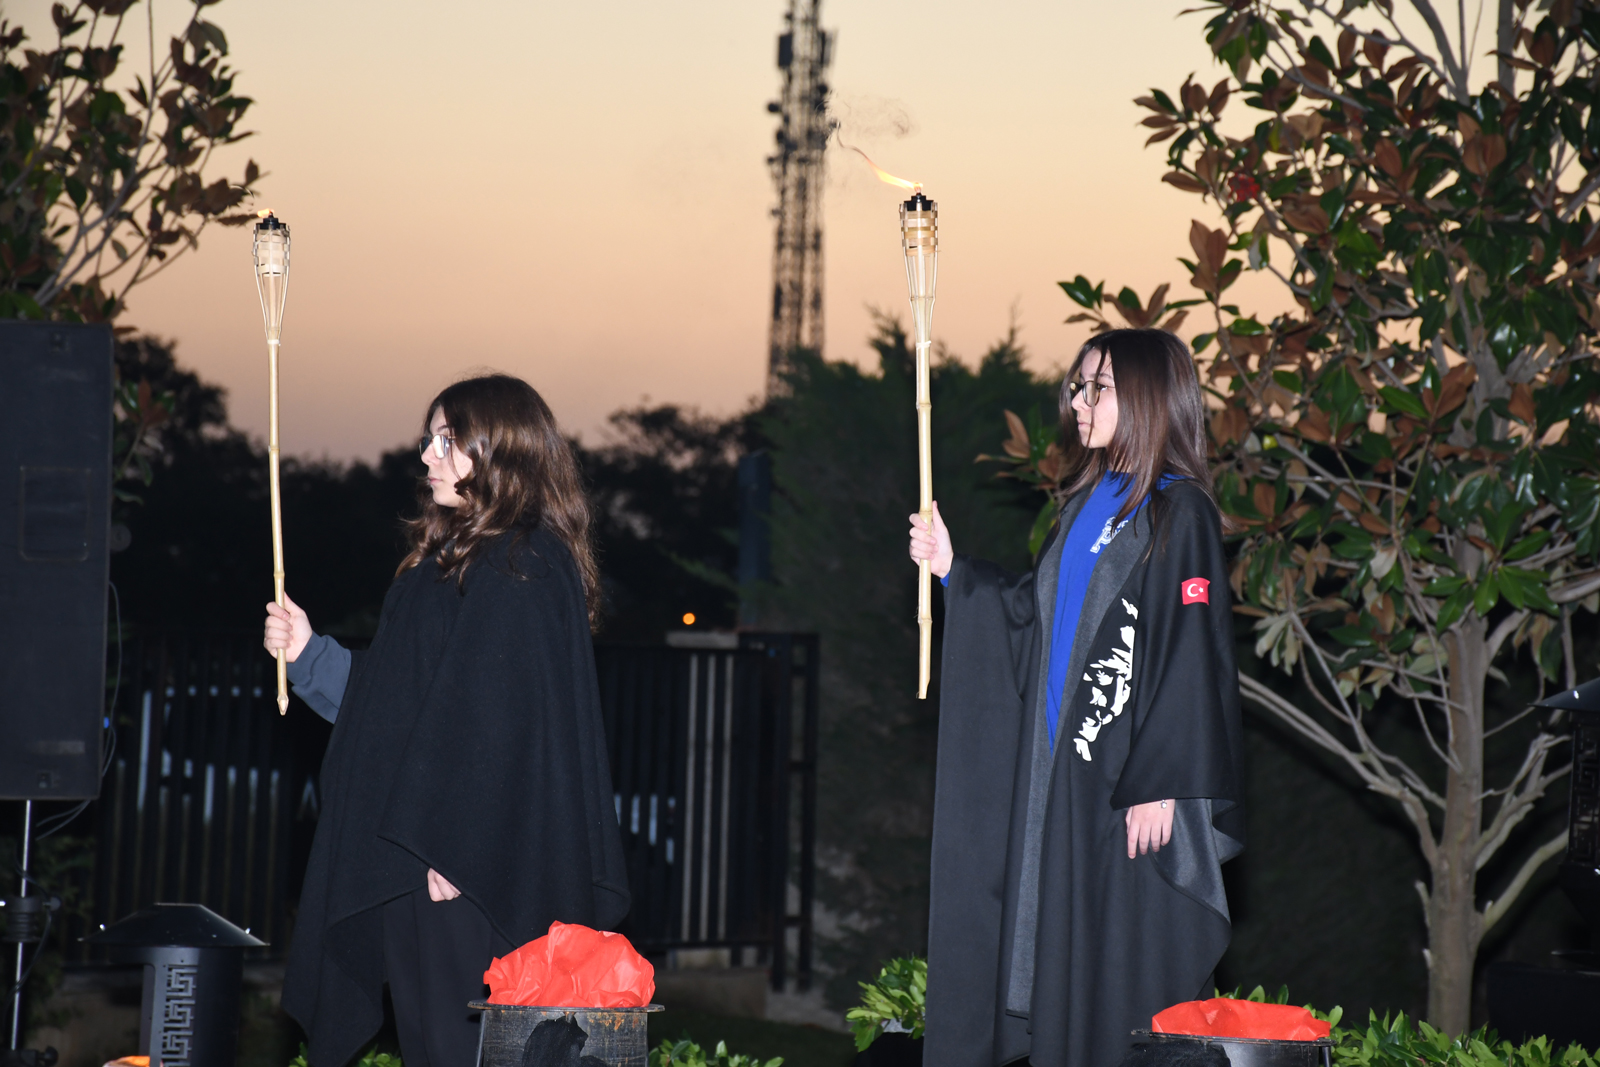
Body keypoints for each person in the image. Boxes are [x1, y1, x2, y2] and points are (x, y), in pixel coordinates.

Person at [265, 374, 629, 1067]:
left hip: (474, 870)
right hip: (423, 855)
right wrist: (309, 654)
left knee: (468, 1049)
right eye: (429, 439)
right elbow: (398, 711)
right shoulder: (444, 566)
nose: (428, 456)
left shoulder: (522, 562)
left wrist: (459, 843)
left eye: (447, 440)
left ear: (501, 450)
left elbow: (507, 727)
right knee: (433, 1045)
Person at [907, 328, 1244, 1067]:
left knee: (1120, 971)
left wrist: (1165, 780)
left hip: (1127, 787)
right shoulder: (1086, 503)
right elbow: (1036, 617)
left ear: (1148, 399)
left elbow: (1194, 648)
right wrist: (955, 569)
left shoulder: (1176, 510)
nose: (1079, 402)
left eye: (1100, 388)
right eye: (1077, 386)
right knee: (1067, 965)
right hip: (1064, 782)